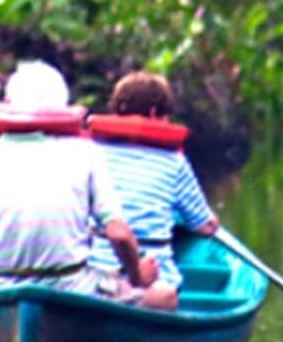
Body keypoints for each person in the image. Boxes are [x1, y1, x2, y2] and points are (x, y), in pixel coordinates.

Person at [0, 61, 150, 296]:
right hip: (73, 289)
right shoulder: (86, 152)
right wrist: (138, 276)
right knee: (163, 298)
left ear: (9, 104)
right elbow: (119, 234)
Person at [87, 71, 219, 310]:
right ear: (153, 114)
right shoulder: (173, 161)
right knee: (165, 291)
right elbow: (205, 226)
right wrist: (208, 222)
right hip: (152, 278)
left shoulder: (91, 152)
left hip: (94, 273)